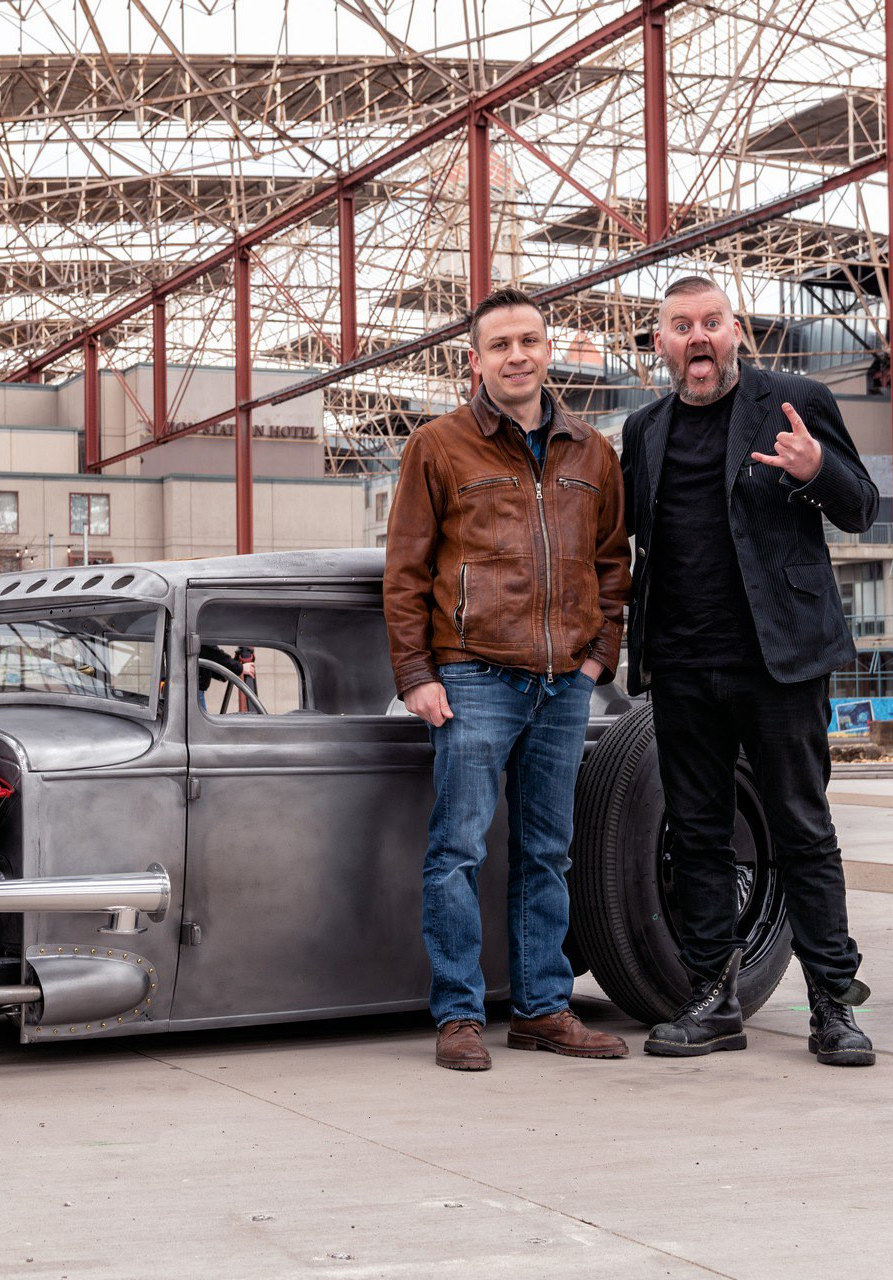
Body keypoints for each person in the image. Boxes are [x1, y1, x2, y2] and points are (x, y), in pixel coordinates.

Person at [620, 275, 880, 1066]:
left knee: (802, 828)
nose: (698, 337)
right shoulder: (644, 429)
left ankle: (832, 1004)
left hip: (780, 660)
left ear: (736, 332)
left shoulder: (795, 401)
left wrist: (816, 469)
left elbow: (861, 507)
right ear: (661, 343)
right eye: (681, 326)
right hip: (681, 662)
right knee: (698, 834)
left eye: (712, 322)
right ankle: (713, 999)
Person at [384, 286, 632, 1071]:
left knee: (547, 853)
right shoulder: (439, 446)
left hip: (563, 684)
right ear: (476, 360)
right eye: (500, 345)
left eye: (529, 341)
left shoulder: (592, 452)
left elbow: (613, 564)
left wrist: (597, 659)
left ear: (547, 350)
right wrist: (416, 673)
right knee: (457, 850)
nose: (516, 356)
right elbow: (405, 571)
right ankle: (459, 1015)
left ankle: (541, 1010)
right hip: (472, 677)